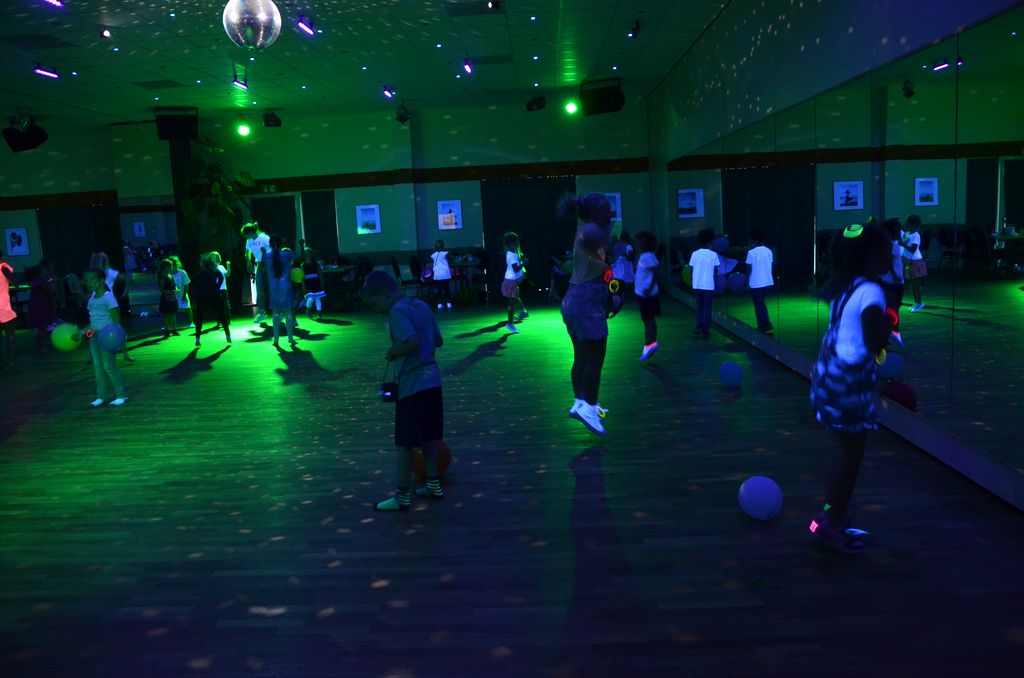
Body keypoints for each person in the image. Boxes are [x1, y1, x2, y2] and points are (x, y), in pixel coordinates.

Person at [808, 222, 895, 554]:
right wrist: (888, 324)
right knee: (850, 458)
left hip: (829, 380)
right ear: (871, 255)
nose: (892, 256)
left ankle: (829, 515)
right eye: (887, 251)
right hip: (848, 385)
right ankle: (830, 523)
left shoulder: (846, 286)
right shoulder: (871, 291)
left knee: (845, 454)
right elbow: (873, 342)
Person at [360, 271, 445, 512]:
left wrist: (393, 350)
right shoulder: (421, 305)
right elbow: (438, 340)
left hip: (412, 386)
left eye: (374, 304)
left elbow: (411, 342)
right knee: (429, 440)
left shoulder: (397, 312)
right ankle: (434, 487)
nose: (375, 310)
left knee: (405, 445)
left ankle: (402, 496)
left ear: (383, 294)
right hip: (433, 383)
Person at [561, 193, 614, 436]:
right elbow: (592, 240)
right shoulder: (591, 230)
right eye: (606, 208)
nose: (610, 212)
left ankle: (580, 402)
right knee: (595, 358)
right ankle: (590, 408)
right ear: (594, 212)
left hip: (575, 299)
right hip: (586, 301)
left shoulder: (586, 226)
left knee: (582, 356)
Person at [81, 267, 128, 407]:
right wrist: (82, 333)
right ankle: (101, 396)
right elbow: (93, 322)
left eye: (91, 279)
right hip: (94, 336)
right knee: (98, 367)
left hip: (106, 336)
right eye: (86, 280)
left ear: (101, 281)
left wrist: (114, 337)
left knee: (109, 367)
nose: (88, 282)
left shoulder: (108, 297)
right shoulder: (92, 298)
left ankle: (121, 395)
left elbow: (117, 320)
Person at [263, 234, 296, 348]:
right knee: (288, 313)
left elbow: (263, 266)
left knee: (275, 314)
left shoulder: (266, 256)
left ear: (270, 244)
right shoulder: (287, 254)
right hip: (286, 286)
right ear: (281, 243)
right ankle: (291, 338)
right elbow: (296, 258)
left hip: (273, 288)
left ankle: (276, 339)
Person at [192, 254, 231, 346]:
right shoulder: (214, 271)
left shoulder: (201, 272)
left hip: (203, 295)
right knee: (222, 315)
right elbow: (221, 277)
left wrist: (197, 291)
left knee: (199, 317)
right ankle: (228, 335)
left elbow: (193, 282)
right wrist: (217, 287)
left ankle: (197, 338)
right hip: (214, 294)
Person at [634, 231, 661, 362]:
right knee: (649, 319)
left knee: (648, 319)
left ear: (644, 243)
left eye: (637, 243)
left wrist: (648, 288)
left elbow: (656, 272)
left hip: (646, 295)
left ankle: (649, 345)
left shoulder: (647, 256)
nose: (635, 245)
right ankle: (652, 343)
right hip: (646, 294)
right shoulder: (646, 256)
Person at [688, 228, 720, 339]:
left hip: (697, 285)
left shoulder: (695, 254)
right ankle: (706, 329)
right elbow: (715, 272)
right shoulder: (713, 254)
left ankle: (699, 327)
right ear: (710, 241)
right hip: (709, 285)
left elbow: (691, 270)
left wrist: (692, 283)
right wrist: (716, 285)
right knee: (707, 308)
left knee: (699, 307)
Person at [879, 218, 906, 346]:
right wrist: (896, 275)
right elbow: (888, 262)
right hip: (893, 282)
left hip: (891, 281)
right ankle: (893, 333)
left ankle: (890, 333)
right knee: (892, 309)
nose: (900, 231)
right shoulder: (891, 245)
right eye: (898, 229)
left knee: (891, 308)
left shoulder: (888, 244)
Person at [745, 229, 775, 333]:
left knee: (758, 304)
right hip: (767, 281)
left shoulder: (751, 252)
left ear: (754, 240)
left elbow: (749, 268)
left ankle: (762, 325)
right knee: (761, 303)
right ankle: (767, 323)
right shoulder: (768, 251)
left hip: (755, 282)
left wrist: (746, 282)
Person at [242, 222, 271, 323]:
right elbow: (247, 253)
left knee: (272, 288)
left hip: (269, 264)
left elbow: (273, 248)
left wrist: (267, 260)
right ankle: (262, 313)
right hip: (259, 265)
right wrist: (248, 262)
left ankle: (279, 312)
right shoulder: (249, 240)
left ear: (250, 232)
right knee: (259, 288)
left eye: (245, 234)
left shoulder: (263, 237)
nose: (244, 236)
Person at [26, 264, 58, 352]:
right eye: (44, 270)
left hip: (40, 306)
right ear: (39, 273)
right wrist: (51, 281)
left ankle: (44, 345)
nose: (46, 271)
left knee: (43, 327)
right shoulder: (40, 282)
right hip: (40, 307)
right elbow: (50, 289)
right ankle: (41, 347)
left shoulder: (38, 281)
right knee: (42, 327)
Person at [501, 232, 527, 333]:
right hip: (511, 280)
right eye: (516, 242)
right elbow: (516, 269)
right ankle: (510, 324)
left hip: (511, 280)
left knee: (514, 300)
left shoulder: (513, 252)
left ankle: (521, 312)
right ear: (511, 243)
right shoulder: (511, 255)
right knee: (512, 304)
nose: (517, 244)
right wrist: (524, 263)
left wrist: (521, 260)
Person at [902, 214, 926, 312]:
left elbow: (913, 249)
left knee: (916, 284)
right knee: (912, 284)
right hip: (909, 262)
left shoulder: (916, 235)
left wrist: (903, 244)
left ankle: (919, 303)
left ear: (915, 225)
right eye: (907, 223)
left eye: (909, 223)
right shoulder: (907, 233)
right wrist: (904, 241)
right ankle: (916, 302)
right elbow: (905, 243)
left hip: (915, 261)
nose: (907, 225)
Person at [298, 245, 326, 320]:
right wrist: (303, 285)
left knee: (317, 298)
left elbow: (320, 274)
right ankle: (308, 309)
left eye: (308, 253)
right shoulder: (303, 265)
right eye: (305, 253)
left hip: (316, 282)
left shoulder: (316, 264)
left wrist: (322, 284)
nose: (307, 255)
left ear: (311, 254)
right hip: (308, 283)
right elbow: (302, 276)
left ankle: (319, 313)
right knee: (310, 298)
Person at [0, 251, 16, 370]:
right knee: (10, 336)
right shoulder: (3, 267)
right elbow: (14, 281)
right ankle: (11, 361)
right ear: (2, 257)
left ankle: (2, 363)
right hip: (3, 307)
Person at [169, 255, 193, 329]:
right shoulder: (168, 274)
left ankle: (191, 322)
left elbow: (186, 284)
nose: (173, 265)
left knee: (187, 307)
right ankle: (171, 325)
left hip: (182, 293)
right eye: (171, 263)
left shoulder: (182, 272)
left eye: (174, 263)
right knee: (171, 310)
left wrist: (184, 294)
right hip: (172, 295)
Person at [157, 259, 179, 339]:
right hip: (166, 298)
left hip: (172, 297)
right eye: (170, 266)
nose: (172, 267)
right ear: (165, 267)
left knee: (173, 314)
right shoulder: (162, 276)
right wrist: (170, 292)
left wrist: (176, 289)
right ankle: (167, 330)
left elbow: (174, 285)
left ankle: (174, 329)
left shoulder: (170, 275)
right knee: (166, 315)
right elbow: (161, 289)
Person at [610, 231, 635, 296]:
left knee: (616, 282)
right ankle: (624, 296)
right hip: (625, 268)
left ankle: (616, 295)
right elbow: (630, 258)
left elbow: (613, 256)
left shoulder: (615, 246)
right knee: (625, 284)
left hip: (615, 267)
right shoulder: (628, 247)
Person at [431, 239, 453, 312]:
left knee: (439, 290)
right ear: (443, 246)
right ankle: (448, 304)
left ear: (435, 247)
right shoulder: (446, 253)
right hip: (445, 275)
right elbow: (451, 260)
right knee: (446, 289)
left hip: (437, 276)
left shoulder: (433, 255)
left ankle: (439, 304)